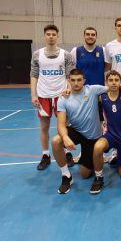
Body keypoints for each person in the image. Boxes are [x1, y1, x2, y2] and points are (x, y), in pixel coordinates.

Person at [51, 69, 113, 194]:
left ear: (84, 81)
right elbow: (61, 124)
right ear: (69, 81)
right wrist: (65, 137)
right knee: (56, 140)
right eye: (73, 80)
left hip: (92, 137)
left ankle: (97, 165)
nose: (76, 83)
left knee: (85, 174)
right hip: (77, 132)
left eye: (79, 80)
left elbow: (114, 86)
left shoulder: (92, 90)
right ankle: (66, 176)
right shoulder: (63, 98)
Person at [30, 24, 74, 170]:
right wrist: (33, 95)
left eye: (53, 34)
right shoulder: (37, 54)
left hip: (61, 96)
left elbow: (70, 75)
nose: (51, 36)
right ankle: (45, 155)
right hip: (43, 96)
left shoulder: (66, 55)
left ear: (57, 36)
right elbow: (34, 75)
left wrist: (69, 90)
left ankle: (67, 152)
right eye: (48, 34)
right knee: (44, 126)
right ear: (44, 36)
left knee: (63, 126)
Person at [90, 70, 121, 194]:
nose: (114, 83)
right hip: (110, 134)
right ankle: (99, 177)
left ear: (120, 82)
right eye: (111, 80)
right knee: (98, 147)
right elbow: (85, 92)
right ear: (106, 82)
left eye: (116, 80)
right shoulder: (101, 96)